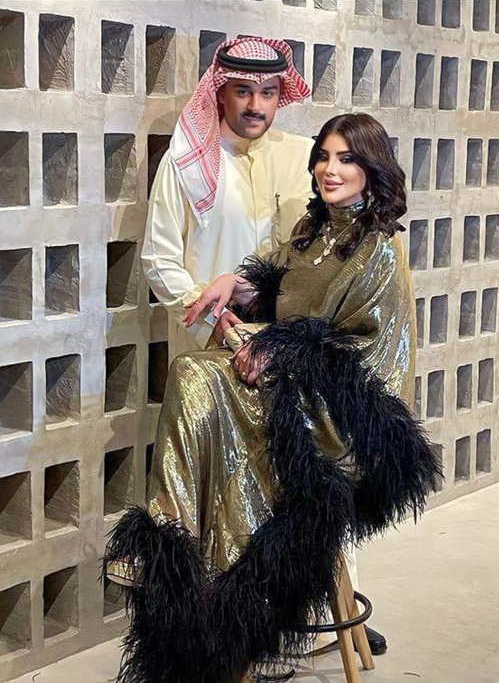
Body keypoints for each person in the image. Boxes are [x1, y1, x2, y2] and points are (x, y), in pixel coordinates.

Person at [104, 113, 441, 683]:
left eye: (346, 159)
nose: (330, 169)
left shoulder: (379, 250)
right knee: (196, 378)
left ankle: (173, 544)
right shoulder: (314, 229)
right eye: (324, 156)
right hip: (290, 388)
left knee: (195, 374)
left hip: (335, 415)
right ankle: (176, 541)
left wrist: (279, 349)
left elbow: (372, 362)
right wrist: (236, 286)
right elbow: (280, 287)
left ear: (372, 168)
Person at [141, 36, 314, 358]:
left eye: (267, 93)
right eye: (243, 91)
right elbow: (159, 258)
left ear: (280, 95)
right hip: (212, 342)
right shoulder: (187, 161)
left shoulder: (306, 156)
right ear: (221, 92)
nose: (255, 106)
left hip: (291, 342)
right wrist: (210, 319)